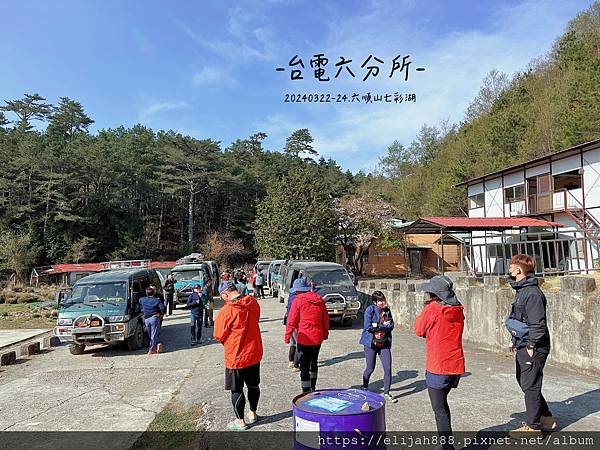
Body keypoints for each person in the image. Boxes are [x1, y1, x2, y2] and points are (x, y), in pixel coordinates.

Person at [414, 276, 465, 450]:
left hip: (437, 365)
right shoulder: (458, 309)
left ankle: (446, 446)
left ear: (434, 293)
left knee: (439, 409)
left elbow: (418, 330)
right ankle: (446, 443)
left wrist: (425, 310)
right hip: (455, 364)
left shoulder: (433, 309)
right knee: (443, 404)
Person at [506, 254, 555, 436]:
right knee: (525, 381)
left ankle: (533, 427)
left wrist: (531, 345)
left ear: (518, 270)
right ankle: (546, 417)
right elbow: (519, 318)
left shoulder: (532, 293)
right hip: (523, 342)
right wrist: (514, 338)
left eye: (511, 265)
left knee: (531, 384)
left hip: (533, 345)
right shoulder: (522, 290)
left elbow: (537, 323)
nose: (509, 268)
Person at [214, 280, 263, 431]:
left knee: (237, 389)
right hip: (253, 353)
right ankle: (253, 413)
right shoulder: (252, 302)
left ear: (225, 294)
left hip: (235, 357)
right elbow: (256, 318)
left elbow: (218, 334)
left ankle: (240, 421)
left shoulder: (227, 311)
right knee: (253, 385)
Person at [284, 277, 329, 393]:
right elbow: (325, 319)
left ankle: (306, 390)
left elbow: (291, 321)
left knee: (304, 365)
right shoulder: (320, 300)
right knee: (314, 362)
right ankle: (313, 387)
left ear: (298, 291)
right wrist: (325, 334)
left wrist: (287, 336)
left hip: (304, 338)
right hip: (317, 337)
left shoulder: (298, 301)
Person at [360, 291, 397, 403]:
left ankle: (387, 392)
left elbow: (391, 326)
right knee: (370, 368)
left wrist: (380, 327)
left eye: (383, 300)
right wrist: (382, 326)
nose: (382, 303)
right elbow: (368, 327)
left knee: (388, 368)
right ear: (375, 302)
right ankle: (365, 386)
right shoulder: (369, 310)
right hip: (370, 343)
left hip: (384, 343)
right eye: (380, 301)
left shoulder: (387, 310)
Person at [284, 279, 304, 372]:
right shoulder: (297, 298)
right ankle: (296, 364)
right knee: (298, 343)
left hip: (289, 321)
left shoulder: (291, 296)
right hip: (295, 323)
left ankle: (291, 361)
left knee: (293, 343)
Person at [139, 286, 166, 355]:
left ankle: (153, 346)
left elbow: (139, 301)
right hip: (154, 318)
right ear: (154, 292)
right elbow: (162, 308)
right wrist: (160, 314)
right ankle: (152, 349)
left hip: (146, 319)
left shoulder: (142, 300)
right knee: (154, 334)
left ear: (146, 293)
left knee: (149, 334)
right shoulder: (157, 300)